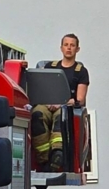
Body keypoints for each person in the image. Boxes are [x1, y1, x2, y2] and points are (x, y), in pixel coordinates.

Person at [31, 33, 89, 171]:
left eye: (72, 45)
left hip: (65, 106)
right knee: (37, 114)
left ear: (77, 49)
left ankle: (58, 153)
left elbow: (80, 99)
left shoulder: (81, 72)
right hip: (46, 104)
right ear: (61, 48)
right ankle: (44, 159)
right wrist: (46, 102)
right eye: (66, 45)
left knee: (61, 116)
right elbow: (41, 88)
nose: (69, 48)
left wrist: (62, 103)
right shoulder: (51, 67)